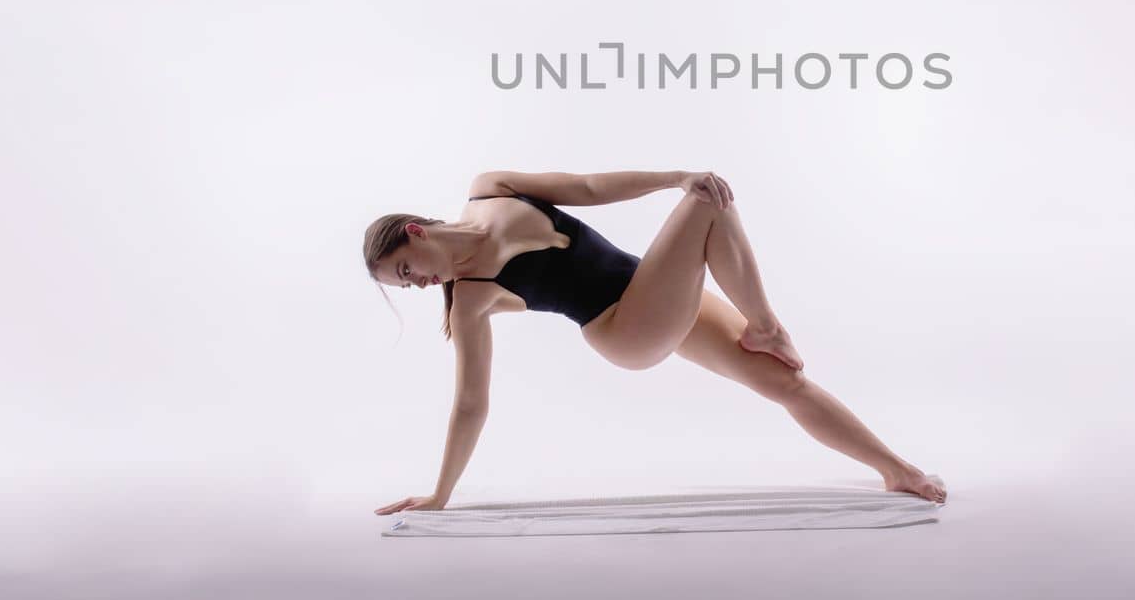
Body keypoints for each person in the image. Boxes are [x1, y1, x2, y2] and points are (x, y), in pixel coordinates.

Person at [363, 169, 947, 513]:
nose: (418, 285)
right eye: (405, 285)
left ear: (414, 233)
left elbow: (589, 187)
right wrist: (439, 495)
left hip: (652, 287)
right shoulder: (471, 298)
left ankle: (894, 469)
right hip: (624, 330)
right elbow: (471, 404)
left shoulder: (493, 188)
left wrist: (673, 174)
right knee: (705, 201)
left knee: (786, 384)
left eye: (406, 270)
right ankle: (765, 323)